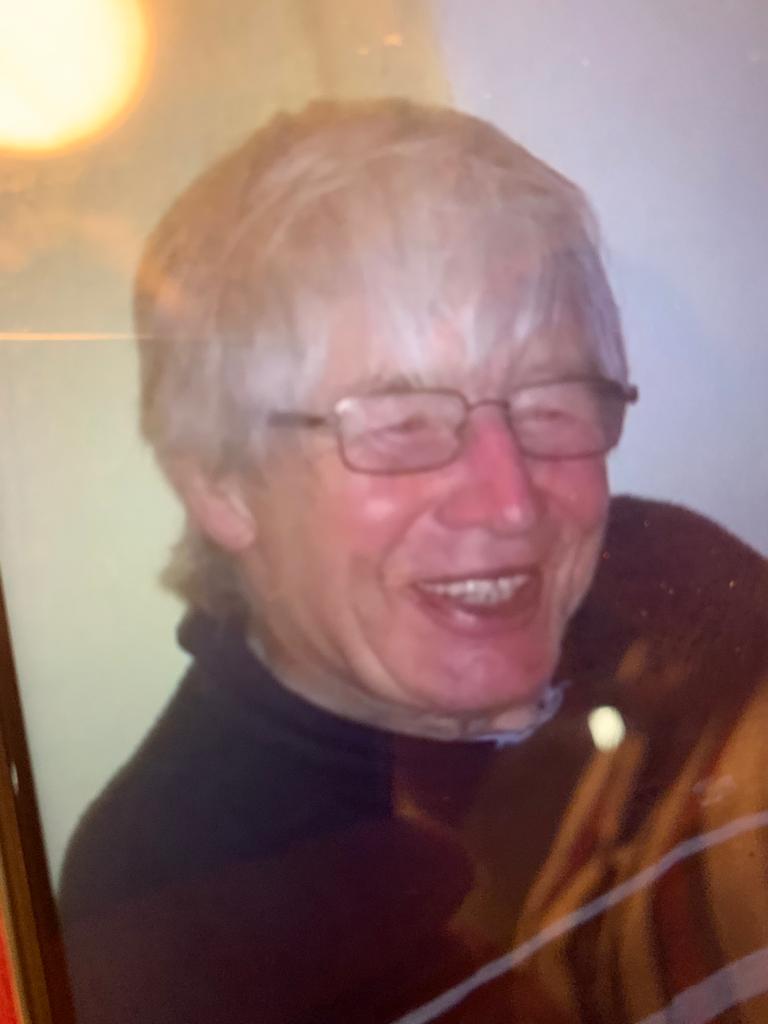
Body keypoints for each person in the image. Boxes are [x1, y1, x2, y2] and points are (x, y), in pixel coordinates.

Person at [58, 99, 768, 1023]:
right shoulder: (177, 923)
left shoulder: (672, 600)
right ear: (223, 483)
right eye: (399, 424)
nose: (510, 501)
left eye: (551, 402)